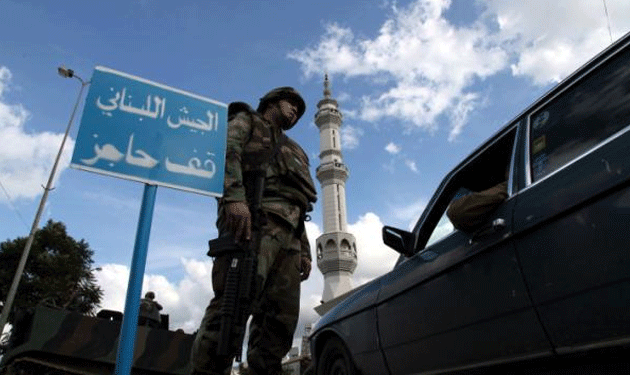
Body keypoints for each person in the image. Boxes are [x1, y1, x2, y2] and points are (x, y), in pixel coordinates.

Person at [191, 87, 317, 375]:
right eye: (291, 104)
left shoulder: (295, 149)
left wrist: (305, 250)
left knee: (280, 320)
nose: (295, 111)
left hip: (290, 237)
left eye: (300, 110)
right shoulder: (247, 121)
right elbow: (228, 151)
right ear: (272, 102)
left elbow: (297, 201)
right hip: (251, 223)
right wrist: (234, 198)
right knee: (233, 306)